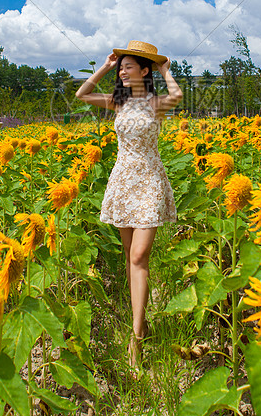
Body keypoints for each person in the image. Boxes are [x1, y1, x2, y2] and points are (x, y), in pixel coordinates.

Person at [75, 40, 183, 369]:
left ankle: (135, 342)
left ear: (144, 70)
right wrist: (106, 66)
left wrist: (165, 69)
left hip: (149, 182)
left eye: (128, 66)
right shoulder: (118, 104)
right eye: (121, 67)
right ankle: (143, 323)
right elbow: (82, 94)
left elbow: (177, 96)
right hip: (123, 182)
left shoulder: (155, 104)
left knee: (139, 255)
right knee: (129, 256)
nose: (123, 70)